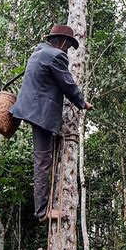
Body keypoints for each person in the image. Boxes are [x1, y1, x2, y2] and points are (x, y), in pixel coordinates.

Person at [10, 24, 93, 221]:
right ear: (62, 42)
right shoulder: (56, 55)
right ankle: (42, 212)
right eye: (68, 46)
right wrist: (82, 103)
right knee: (42, 162)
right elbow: (67, 84)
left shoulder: (39, 51)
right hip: (41, 114)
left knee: (43, 157)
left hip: (32, 111)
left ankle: (42, 209)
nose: (67, 50)